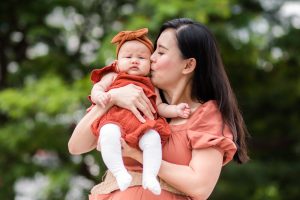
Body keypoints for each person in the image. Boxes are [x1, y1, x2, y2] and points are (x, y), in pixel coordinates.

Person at [68, 18, 249, 200]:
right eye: (154, 51)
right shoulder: (131, 95)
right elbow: (76, 146)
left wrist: (138, 155)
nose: (151, 58)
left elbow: (200, 187)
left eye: (160, 52)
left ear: (188, 65)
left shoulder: (205, 115)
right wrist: (112, 99)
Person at [88, 28, 191, 195]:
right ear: (117, 62)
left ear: (150, 63)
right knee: (108, 135)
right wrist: (99, 95)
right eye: (128, 57)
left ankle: (149, 175)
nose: (134, 61)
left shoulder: (151, 84)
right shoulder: (114, 77)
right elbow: (97, 88)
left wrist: (176, 110)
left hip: (142, 125)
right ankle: (119, 172)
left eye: (141, 58)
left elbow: (159, 107)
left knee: (153, 139)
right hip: (115, 122)